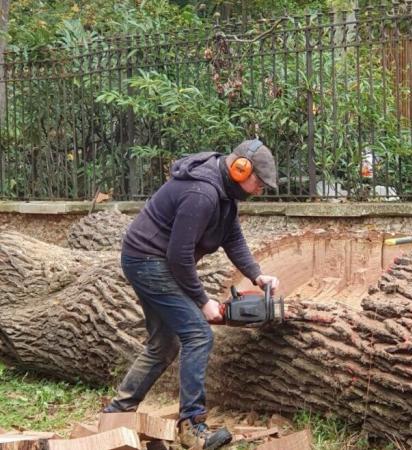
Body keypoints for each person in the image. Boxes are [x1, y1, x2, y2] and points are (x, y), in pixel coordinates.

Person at [103, 139, 280, 450]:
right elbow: (179, 256)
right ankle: (192, 427)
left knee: (164, 343)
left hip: (152, 260)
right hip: (147, 261)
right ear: (241, 169)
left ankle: (116, 415)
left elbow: (232, 236)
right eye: (259, 183)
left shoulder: (224, 193)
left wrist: (256, 274)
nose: (259, 190)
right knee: (198, 334)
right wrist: (203, 301)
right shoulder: (202, 192)